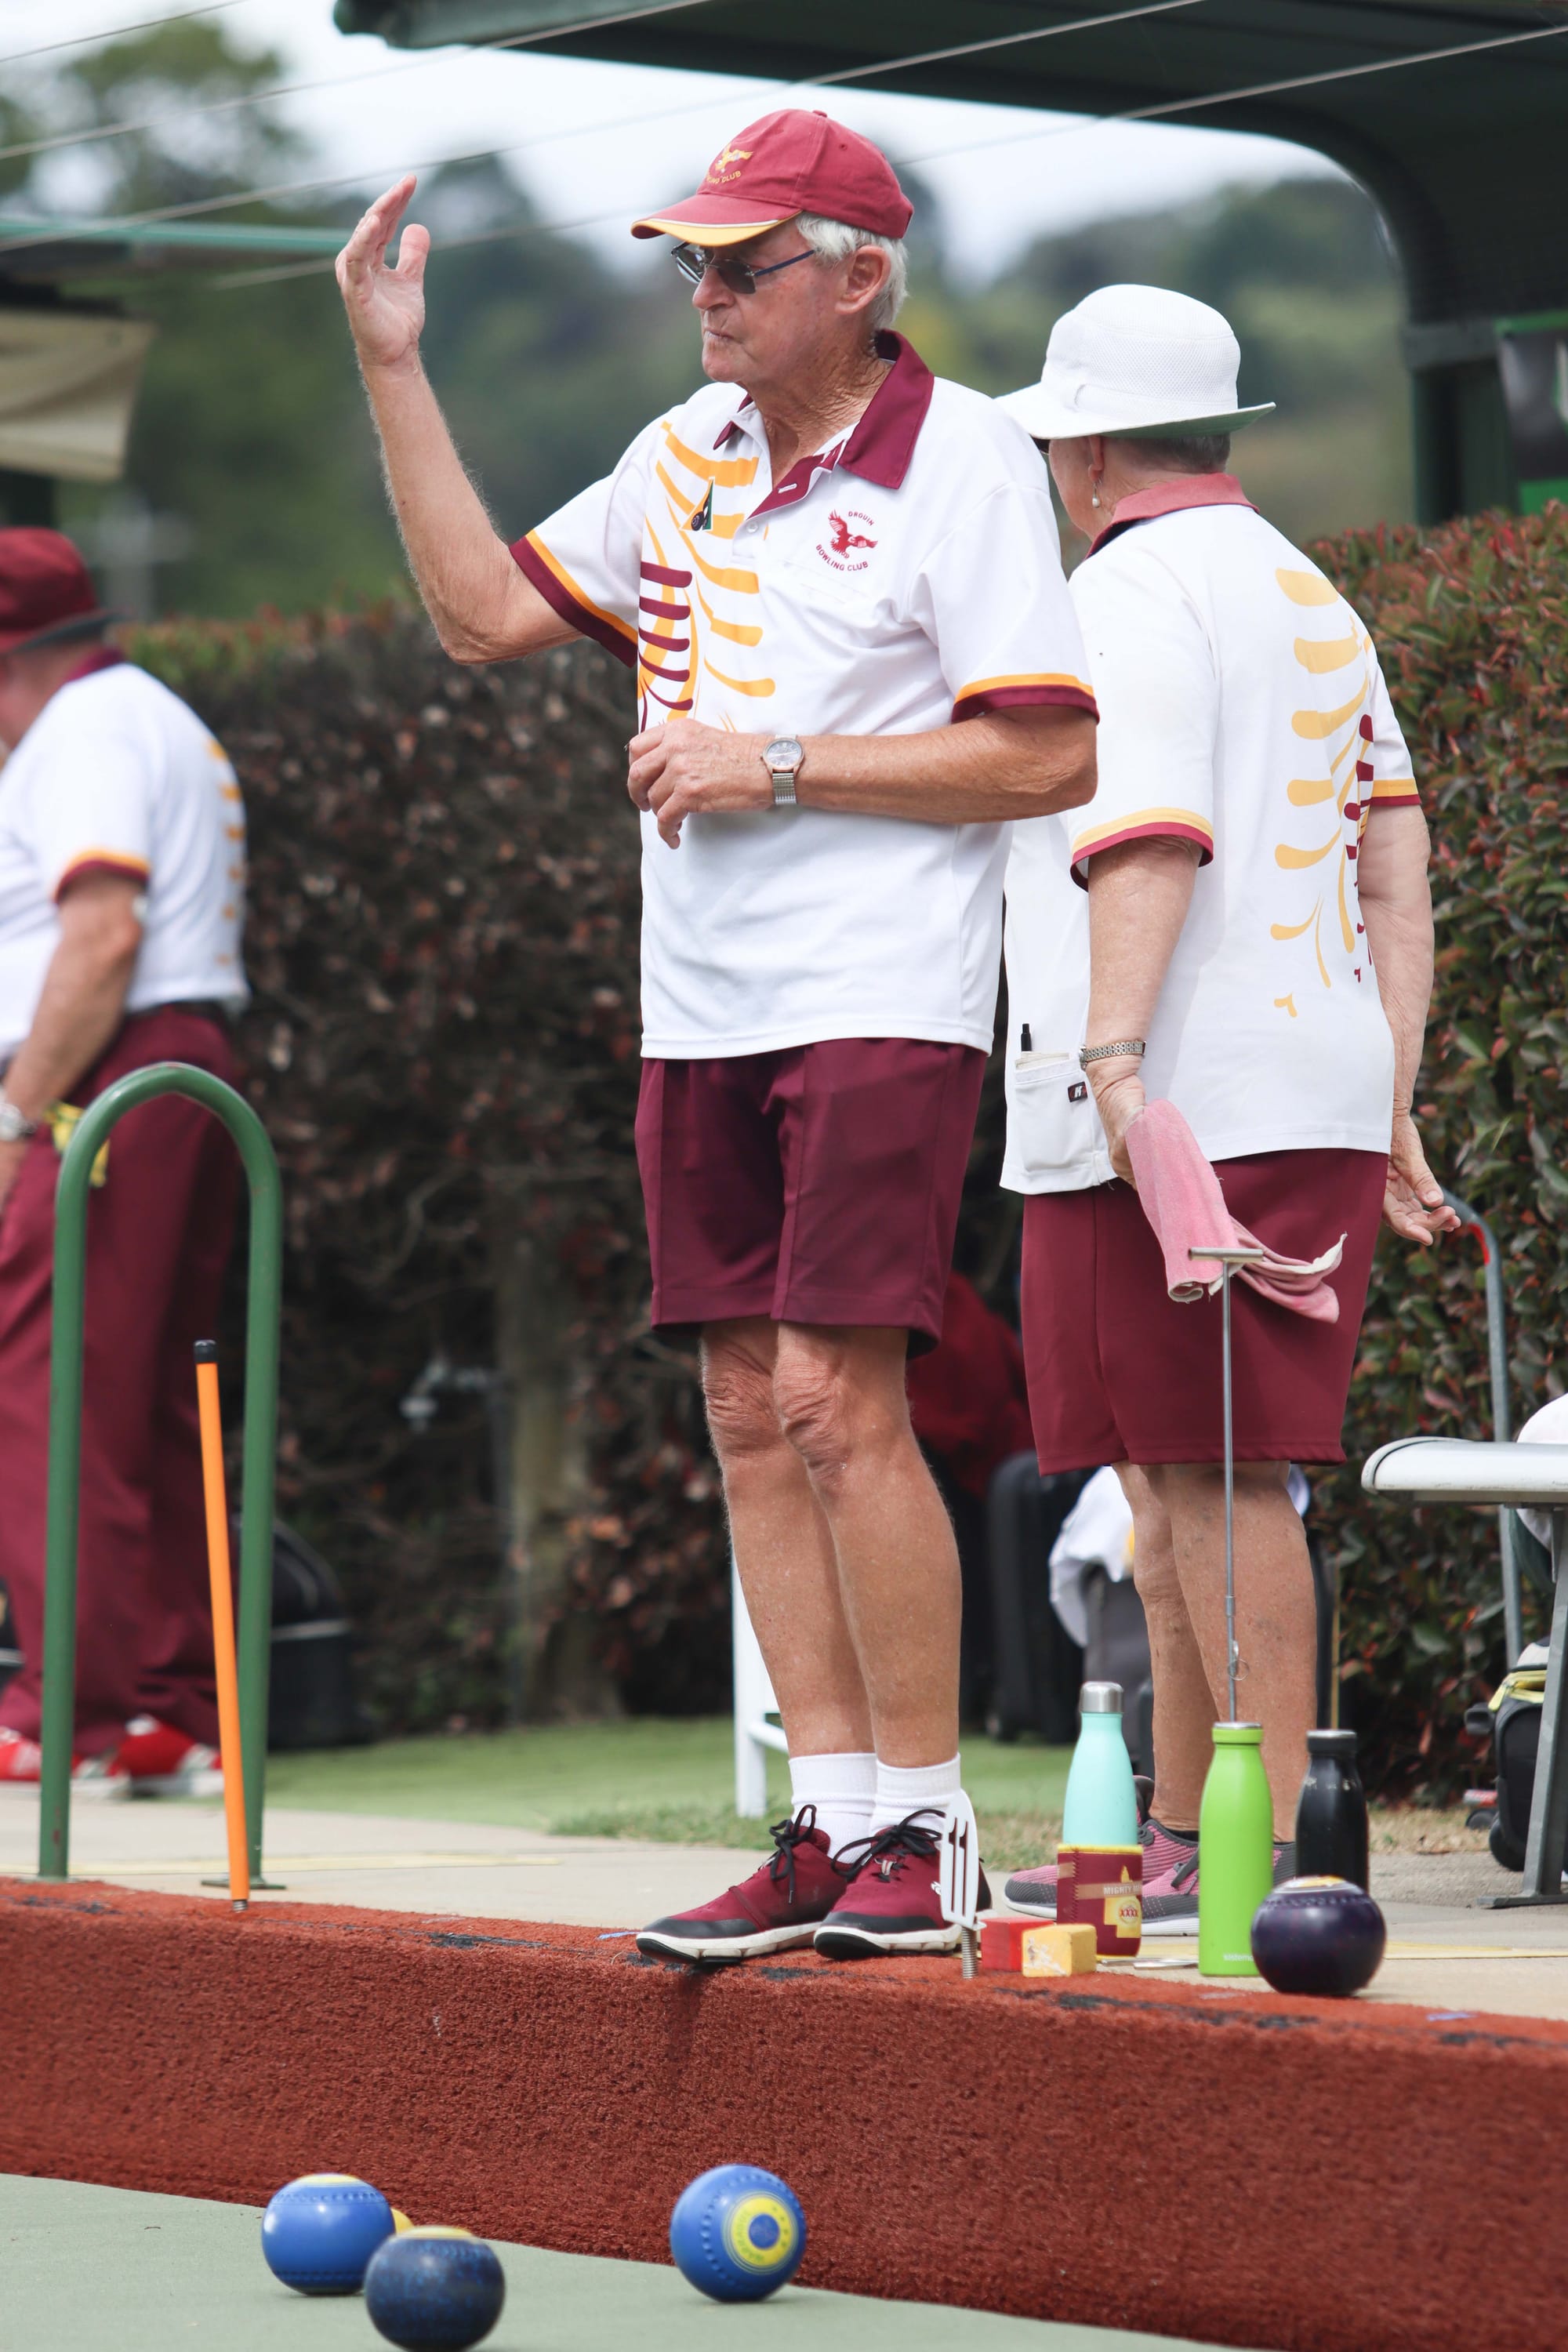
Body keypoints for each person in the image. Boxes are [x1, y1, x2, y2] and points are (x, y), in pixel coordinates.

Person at [336, 109, 1098, 1958]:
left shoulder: (964, 456)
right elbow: (479, 617)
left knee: (838, 1403)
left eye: (743, 264)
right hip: (702, 1008)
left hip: (883, 995)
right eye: (693, 261)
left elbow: (1048, 751)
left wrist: (775, 764)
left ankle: (926, 1827)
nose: (706, 293)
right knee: (747, 1408)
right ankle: (828, 1822)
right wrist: (393, 365)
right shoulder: (677, 447)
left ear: (857, 279)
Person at [992, 286, 1455, 1926]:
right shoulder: (1311, 591)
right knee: (1165, 1475)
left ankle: (1267, 1850)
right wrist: (1389, 1092)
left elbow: (1149, 837)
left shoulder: (1124, 591)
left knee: (1218, 1472)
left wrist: (1117, 1066)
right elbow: (1394, 861)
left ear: (1087, 452)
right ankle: (1189, 1834)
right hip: (1285, 1078)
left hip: (1174, 1093)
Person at [0, 527, 249, 1795]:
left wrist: (13, 1117)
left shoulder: (80, 733)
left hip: (111, 1073)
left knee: (51, 1387)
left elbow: (101, 937)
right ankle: (163, 1703)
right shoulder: (151, 714)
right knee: (147, 1394)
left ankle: (77, 1711)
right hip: (180, 1063)